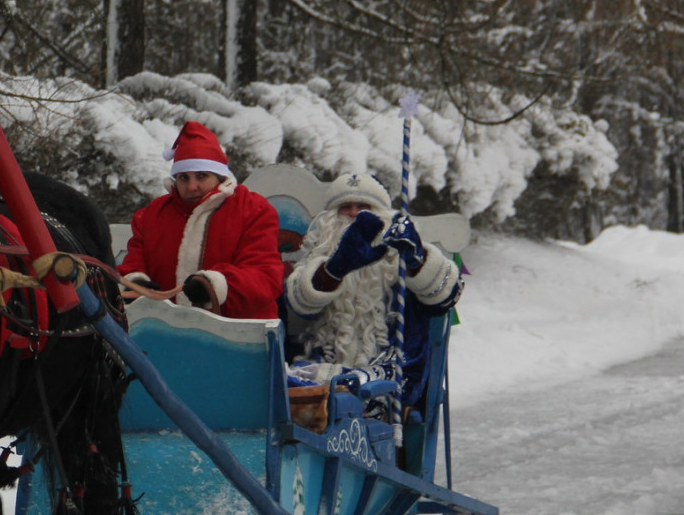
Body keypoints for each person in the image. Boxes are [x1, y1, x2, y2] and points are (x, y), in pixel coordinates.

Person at [283, 171, 462, 408]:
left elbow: (446, 297)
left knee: (347, 394)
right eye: (345, 207)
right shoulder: (317, 259)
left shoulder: (404, 251)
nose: (355, 213)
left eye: (364, 206)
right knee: (285, 385)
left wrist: (417, 261)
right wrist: (335, 269)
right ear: (329, 218)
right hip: (329, 368)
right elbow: (300, 303)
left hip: (395, 370)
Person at [117, 121, 284, 320]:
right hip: (162, 331)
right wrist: (136, 284)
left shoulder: (253, 210)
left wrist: (214, 286)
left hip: (238, 333)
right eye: (183, 178)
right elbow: (134, 263)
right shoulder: (153, 214)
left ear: (220, 176)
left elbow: (265, 276)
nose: (192, 187)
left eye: (201, 176)